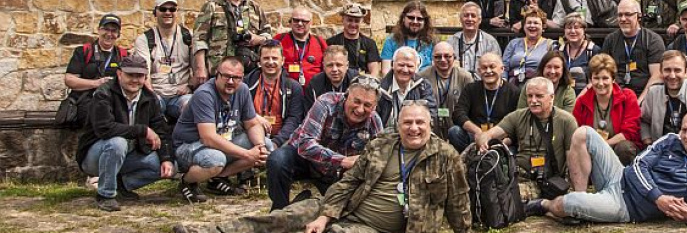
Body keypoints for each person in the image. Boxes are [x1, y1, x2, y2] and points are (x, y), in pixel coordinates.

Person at [177, 103, 470, 233]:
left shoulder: (446, 157)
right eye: (408, 122)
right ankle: (211, 231)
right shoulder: (382, 145)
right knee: (282, 218)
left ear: (431, 126)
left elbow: (458, 202)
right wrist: (326, 214)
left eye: (421, 123)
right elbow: (348, 183)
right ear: (399, 124)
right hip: (343, 206)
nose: (414, 128)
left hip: (368, 228)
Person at [526, 112, 687, 224]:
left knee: (566, 202)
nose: (686, 135)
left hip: (627, 207)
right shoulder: (670, 140)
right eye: (683, 129)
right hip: (620, 176)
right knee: (584, 133)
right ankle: (581, 205)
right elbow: (638, 166)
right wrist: (657, 197)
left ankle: (544, 204)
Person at [267, 76, 385, 211]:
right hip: (305, 160)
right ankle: (279, 210)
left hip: (335, 174)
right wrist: (342, 160)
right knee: (277, 160)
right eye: (356, 101)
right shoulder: (326, 102)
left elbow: (379, 157)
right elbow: (305, 144)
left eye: (367, 105)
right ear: (346, 96)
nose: (360, 109)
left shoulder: (374, 121)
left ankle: (307, 204)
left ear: (374, 106)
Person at [77, 54, 174, 211]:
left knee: (166, 167)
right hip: (95, 156)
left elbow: (161, 130)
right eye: (130, 75)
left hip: (129, 153)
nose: (135, 80)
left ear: (145, 77)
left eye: (139, 76)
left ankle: (121, 185)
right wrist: (143, 130)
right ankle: (105, 195)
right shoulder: (104, 94)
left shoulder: (150, 98)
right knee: (117, 143)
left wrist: (166, 159)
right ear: (119, 73)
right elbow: (104, 128)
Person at [172, 57, 275, 203]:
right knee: (216, 160)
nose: (231, 81)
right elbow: (208, 137)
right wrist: (247, 154)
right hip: (190, 147)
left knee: (267, 147)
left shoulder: (243, 90)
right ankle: (186, 181)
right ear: (217, 75)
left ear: (242, 77)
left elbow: (252, 124)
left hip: (222, 141)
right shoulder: (204, 94)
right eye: (226, 76)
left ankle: (216, 178)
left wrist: (260, 146)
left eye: (236, 78)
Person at [475, 77, 579, 195]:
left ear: (551, 97)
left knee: (506, 197)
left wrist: (575, 191)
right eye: (530, 96)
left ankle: (541, 205)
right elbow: (489, 134)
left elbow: (572, 159)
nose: (533, 100)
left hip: (550, 179)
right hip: (520, 174)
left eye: (539, 96)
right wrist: (483, 141)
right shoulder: (518, 116)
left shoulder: (566, 120)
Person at [193, 0, 271, 78]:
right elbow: (199, 39)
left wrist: (257, 39)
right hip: (217, 71)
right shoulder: (212, 7)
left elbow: (268, 36)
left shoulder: (255, 8)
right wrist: (200, 68)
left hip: (247, 72)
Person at [133, 0, 195, 120]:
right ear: (155, 12)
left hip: (181, 94)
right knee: (150, 105)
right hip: (156, 92)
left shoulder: (189, 37)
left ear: (177, 12)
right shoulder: (145, 39)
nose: (168, 12)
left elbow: (199, 70)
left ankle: (186, 139)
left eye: (172, 9)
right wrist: (152, 93)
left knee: (191, 105)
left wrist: (190, 86)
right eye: (163, 9)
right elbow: (144, 74)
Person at [572, 54, 643, 164]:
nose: (600, 83)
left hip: (620, 151)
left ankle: (626, 180)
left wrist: (602, 146)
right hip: (591, 153)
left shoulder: (628, 97)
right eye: (596, 78)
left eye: (605, 78)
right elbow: (577, 133)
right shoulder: (582, 102)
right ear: (590, 79)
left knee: (624, 147)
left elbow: (629, 133)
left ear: (613, 79)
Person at [449, 52, 520, 151]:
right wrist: (478, 132)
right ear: (479, 71)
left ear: (502, 69)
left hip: (501, 139)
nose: (488, 71)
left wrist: (500, 142)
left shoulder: (514, 92)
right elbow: (458, 113)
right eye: (484, 67)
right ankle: (467, 162)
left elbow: (517, 122)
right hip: (475, 137)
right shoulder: (471, 88)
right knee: (454, 131)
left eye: (492, 67)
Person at [600, 0, 666, 104]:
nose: (623, 18)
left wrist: (638, 102)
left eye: (628, 14)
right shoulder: (610, 40)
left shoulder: (653, 40)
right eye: (620, 15)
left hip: (645, 98)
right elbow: (604, 71)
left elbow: (657, 76)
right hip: (615, 96)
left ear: (638, 16)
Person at [244, 41, 307, 149]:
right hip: (250, 135)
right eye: (266, 58)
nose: (270, 62)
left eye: (274, 58)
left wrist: (276, 143)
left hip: (283, 140)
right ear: (259, 61)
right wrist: (254, 117)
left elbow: (294, 120)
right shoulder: (245, 84)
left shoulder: (294, 87)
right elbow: (238, 111)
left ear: (282, 61)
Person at [64, 14, 128, 110]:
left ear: (118, 35)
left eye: (114, 31)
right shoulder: (83, 51)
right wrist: (97, 83)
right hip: (85, 105)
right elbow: (69, 80)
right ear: (98, 30)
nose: (109, 34)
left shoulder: (124, 56)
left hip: (113, 106)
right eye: (106, 29)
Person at [418, 41, 474, 140]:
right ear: (432, 58)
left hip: (457, 128)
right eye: (438, 56)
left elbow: (472, 108)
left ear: (454, 57)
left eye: (447, 56)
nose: (443, 60)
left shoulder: (465, 77)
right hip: (430, 128)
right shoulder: (422, 76)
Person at [376, 47, 437, 131]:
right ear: (393, 65)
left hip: (415, 134)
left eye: (410, 66)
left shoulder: (423, 86)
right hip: (386, 137)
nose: (405, 70)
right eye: (401, 65)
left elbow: (431, 114)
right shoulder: (380, 88)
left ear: (416, 68)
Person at [502, 6, 555, 85]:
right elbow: (504, 67)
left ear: (543, 27)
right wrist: (504, 84)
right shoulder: (514, 43)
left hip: (538, 85)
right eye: (529, 23)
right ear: (524, 26)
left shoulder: (550, 45)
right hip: (513, 85)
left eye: (536, 23)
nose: (532, 26)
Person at [276, 7, 327, 88]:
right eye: (296, 20)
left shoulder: (320, 42)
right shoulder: (279, 40)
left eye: (304, 21)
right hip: (286, 92)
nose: (299, 23)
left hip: (313, 93)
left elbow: (327, 67)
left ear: (311, 23)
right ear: (290, 22)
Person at [447, 2, 501, 78]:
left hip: (482, 84)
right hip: (457, 84)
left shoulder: (490, 42)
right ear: (460, 19)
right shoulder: (451, 42)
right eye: (466, 16)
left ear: (479, 20)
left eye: (473, 16)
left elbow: (496, 68)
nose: (469, 19)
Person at [327, 3, 381, 78]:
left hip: (361, 83)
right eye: (349, 20)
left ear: (361, 22)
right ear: (343, 20)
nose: (353, 24)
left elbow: (374, 72)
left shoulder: (369, 43)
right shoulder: (331, 42)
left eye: (357, 21)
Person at [382, 1, 436, 74]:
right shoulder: (391, 40)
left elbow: (435, 71)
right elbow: (386, 71)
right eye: (411, 17)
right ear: (403, 18)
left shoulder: (431, 42)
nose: (415, 21)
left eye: (419, 19)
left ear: (425, 22)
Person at [557, 13, 598, 94]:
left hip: (586, 97)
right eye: (569, 28)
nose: (572, 31)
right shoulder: (559, 51)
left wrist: (579, 99)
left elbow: (597, 80)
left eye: (576, 27)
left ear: (584, 30)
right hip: (564, 97)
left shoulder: (593, 50)